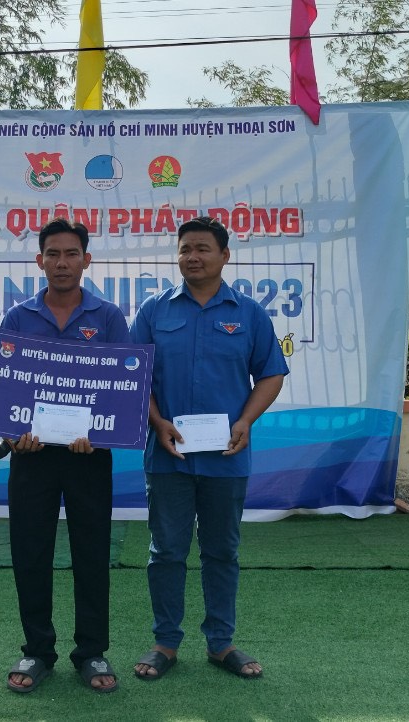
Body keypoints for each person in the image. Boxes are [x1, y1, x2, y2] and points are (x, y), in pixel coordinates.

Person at [128, 216, 288, 681]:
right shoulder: (154, 312)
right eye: (184, 249)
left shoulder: (249, 314)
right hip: (168, 457)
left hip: (226, 458)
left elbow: (271, 374)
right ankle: (165, 642)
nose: (192, 257)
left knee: (222, 552)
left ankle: (221, 643)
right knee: (166, 552)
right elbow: (134, 375)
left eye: (202, 248)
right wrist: (156, 421)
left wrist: (245, 421)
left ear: (224, 256)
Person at [0, 218, 128, 694]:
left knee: (91, 553)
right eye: (52, 254)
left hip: (87, 457)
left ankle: (92, 651)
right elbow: (5, 389)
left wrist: (99, 432)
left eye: (71, 253)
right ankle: (37, 650)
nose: (62, 262)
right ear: (40, 261)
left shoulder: (108, 317)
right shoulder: (18, 318)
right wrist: (14, 434)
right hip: (31, 457)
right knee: (30, 553)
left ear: (86, 260)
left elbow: (122, 388)